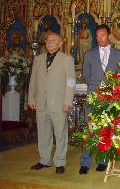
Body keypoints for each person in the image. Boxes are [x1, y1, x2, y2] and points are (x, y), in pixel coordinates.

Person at [79, 24, 120, 174]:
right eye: (97, 36)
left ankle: (103, 160)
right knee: (89, 128)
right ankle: (85, 161)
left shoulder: (119, 55)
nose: (99, 39)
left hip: (110, 98)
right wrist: (96, 84)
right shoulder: (89, 54)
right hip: (93, 95)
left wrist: (111, 84)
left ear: (109, 36)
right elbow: (85, 75)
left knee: (106, 129)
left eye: (102, 35)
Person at [28, 31, 76, 174]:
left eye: (53, 40)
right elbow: (33, 81)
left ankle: (60, 161)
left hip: (59, 103)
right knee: (43, 133)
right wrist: (31, 98)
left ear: (61, 43)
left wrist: (68, 101)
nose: (49, 42)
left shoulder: (67, 60)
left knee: (60, 132)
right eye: (48, 40)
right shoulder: (38, 59)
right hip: (41, 103)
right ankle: (45, 160)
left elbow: (71, 83)